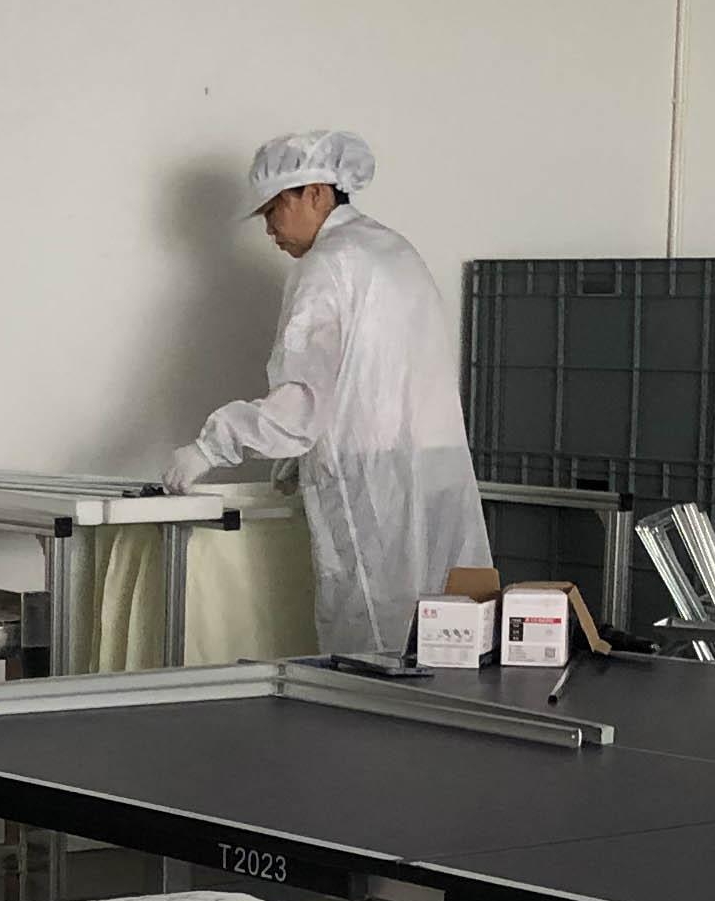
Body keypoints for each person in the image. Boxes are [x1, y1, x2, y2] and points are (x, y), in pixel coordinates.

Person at [170, 130, 492, 659]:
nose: (269, 229)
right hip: (436, 470)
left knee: (374, 642)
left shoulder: (326, 265)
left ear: (316, 193)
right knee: (448, 635)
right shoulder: (394, 250)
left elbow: (301, 402)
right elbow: (374, 376)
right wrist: (306, 453)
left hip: (373, 484)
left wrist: (211, 446)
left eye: (274, 209)